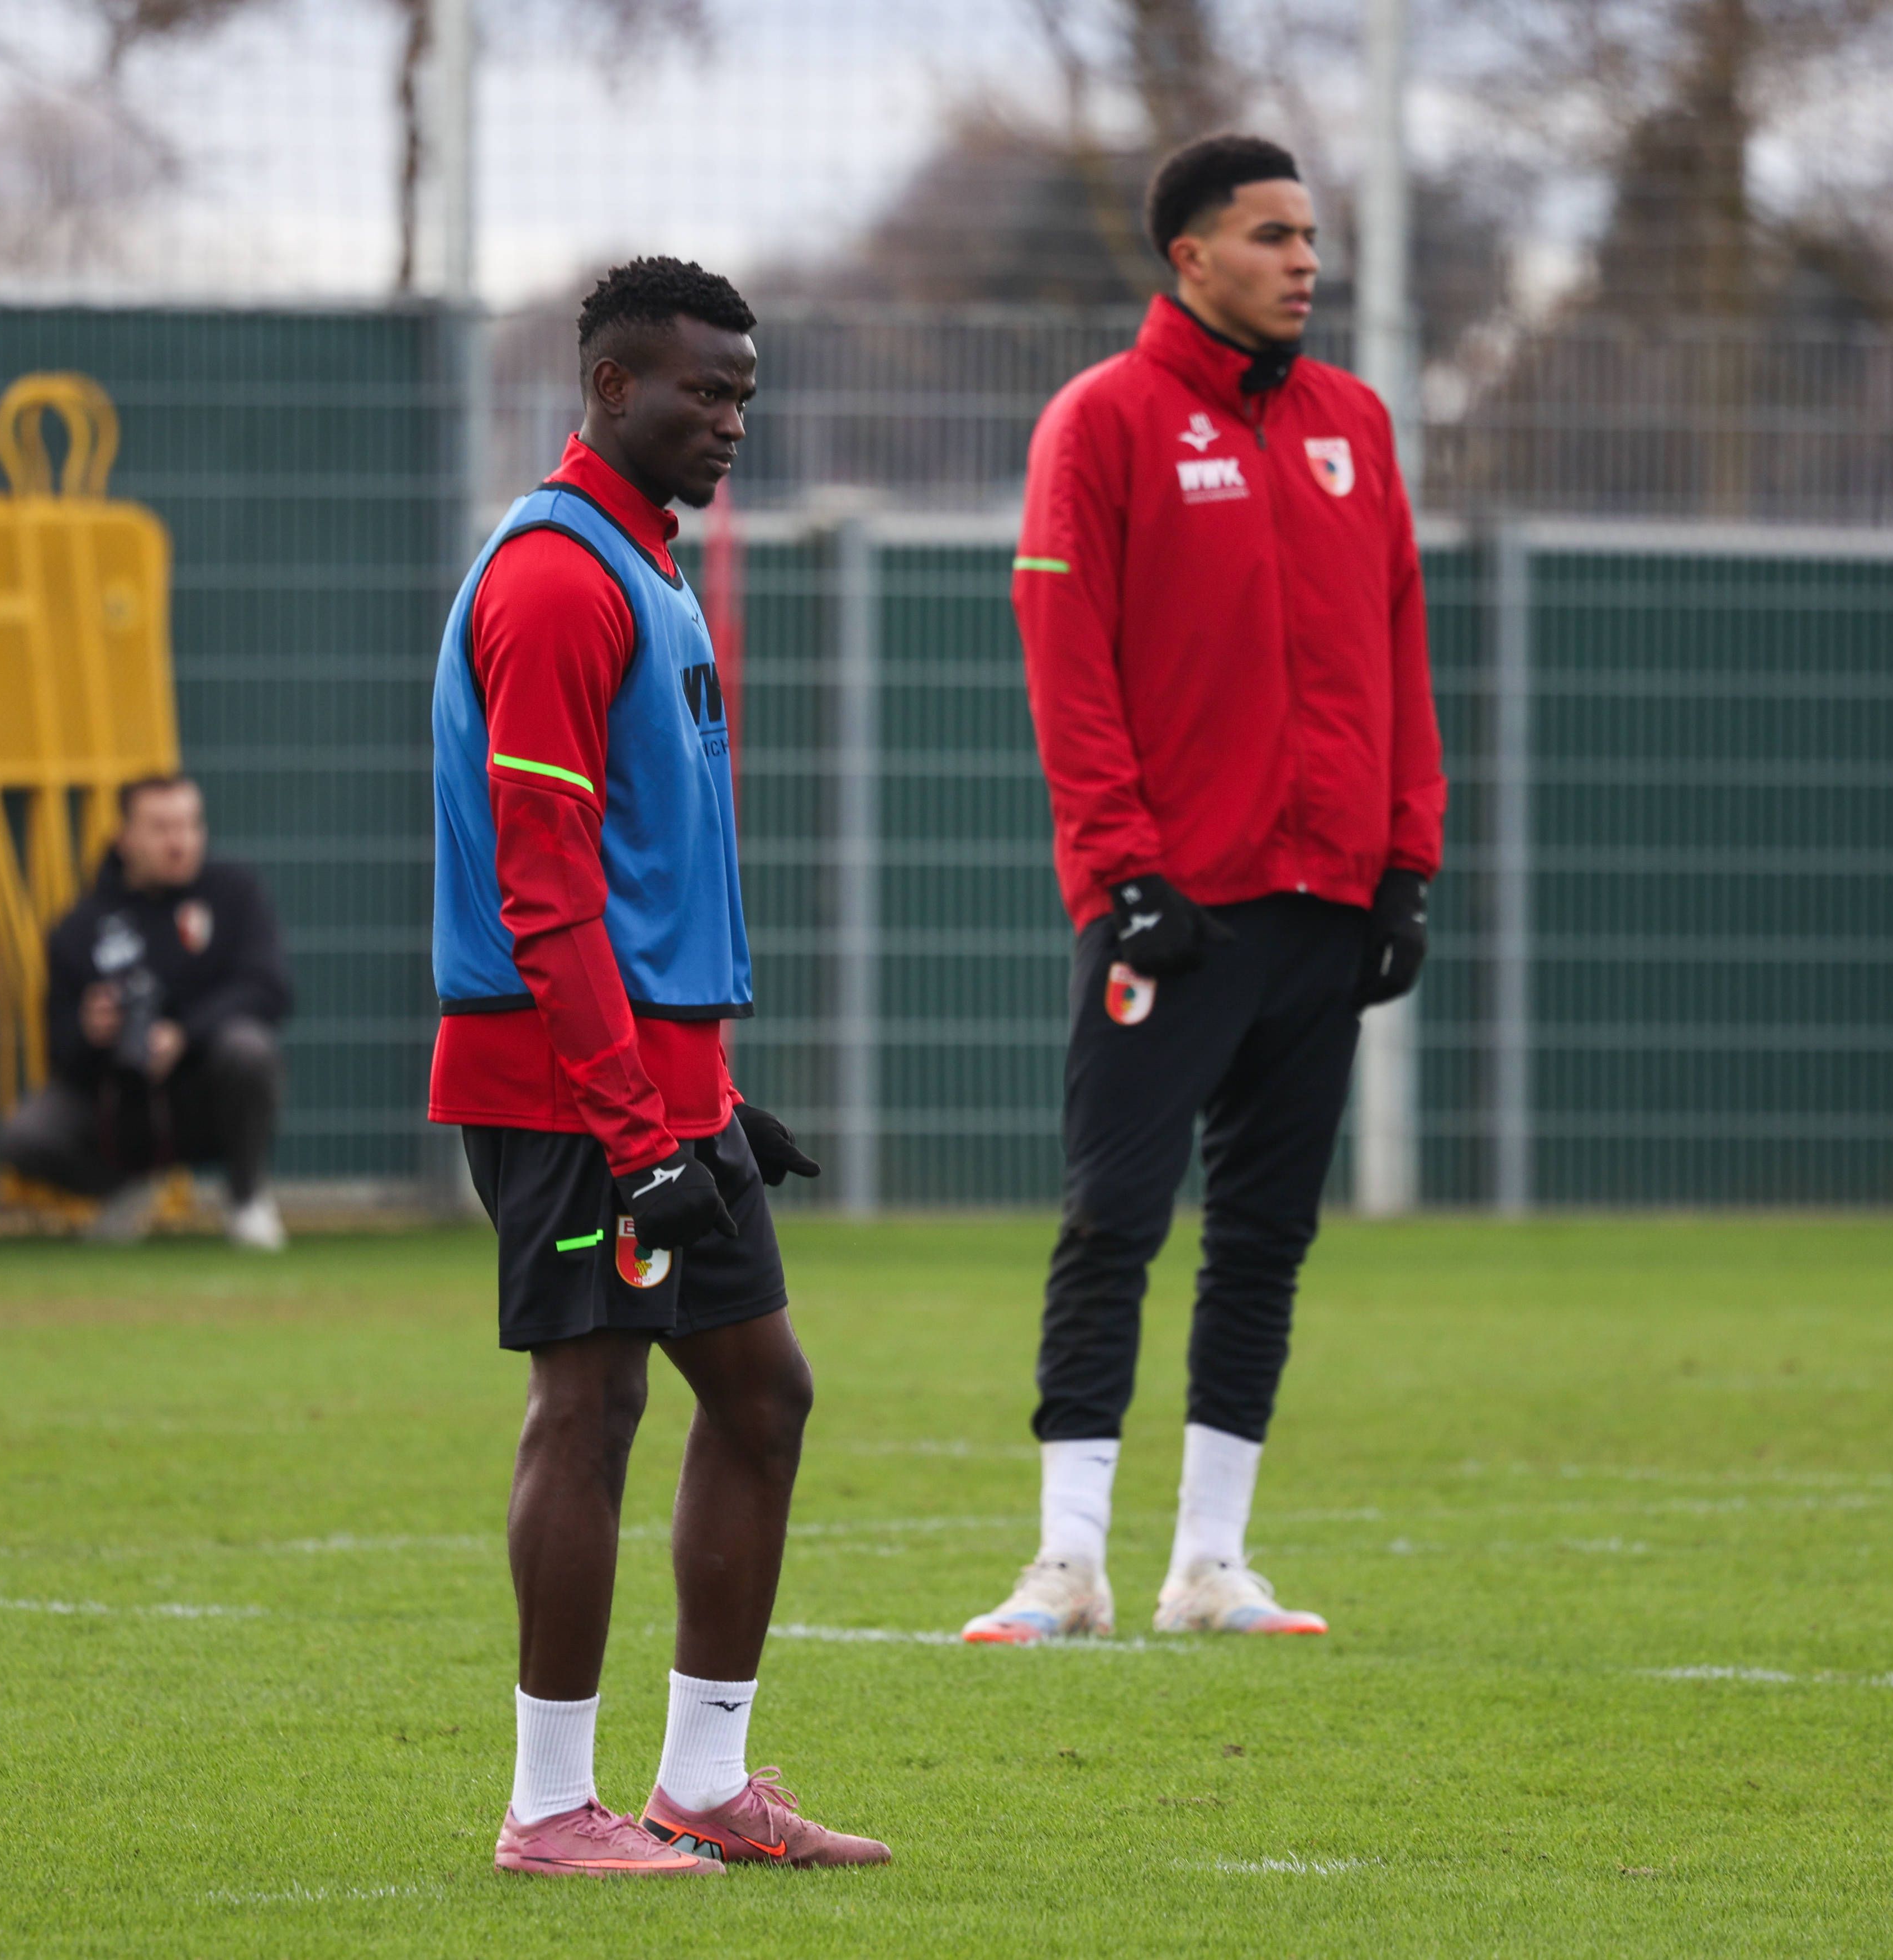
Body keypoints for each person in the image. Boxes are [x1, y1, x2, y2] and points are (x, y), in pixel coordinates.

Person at [429, 256, 888, 1877]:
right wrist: (635, 1122)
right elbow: (541, 887)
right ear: (610, 387)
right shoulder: (557, 578)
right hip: (565, 1085)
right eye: (704, 390)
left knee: (763, 1397)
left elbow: (637, 872)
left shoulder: (649, 565)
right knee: (593, 1394)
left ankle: (702, 1783)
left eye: (746, 393)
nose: (731, 420)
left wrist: (702, 1084)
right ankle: (551, 1807)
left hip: (650, 1073)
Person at [962, 134, 1445, 1645]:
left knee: (1265, 1236)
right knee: (1114, 1217)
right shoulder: (1100, 422)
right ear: (1189, 256)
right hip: (1173, 904)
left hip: (1326, 901)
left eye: (1312, 234)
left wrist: (1407, 858)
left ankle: (1210, 1564)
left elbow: (1400, 649)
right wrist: (1122, 867)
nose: (1306, 259)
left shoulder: (1355, 425)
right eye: (1271, 235)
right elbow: (1070, 667)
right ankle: (1066, 1564)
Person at [0, 773, 295, 1251]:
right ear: (124, 836)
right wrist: (91, 1031)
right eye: (161, 828)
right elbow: (59, 1050)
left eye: (189, 825)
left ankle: (245, 1198)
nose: (179, 842)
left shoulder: (233, 895)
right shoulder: (80, 928)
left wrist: (183, 1035)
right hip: (120, 1109)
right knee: (26, 1134)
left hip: (205, 1097)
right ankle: (122, 1193)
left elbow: (270, 989)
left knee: (249, 1050)